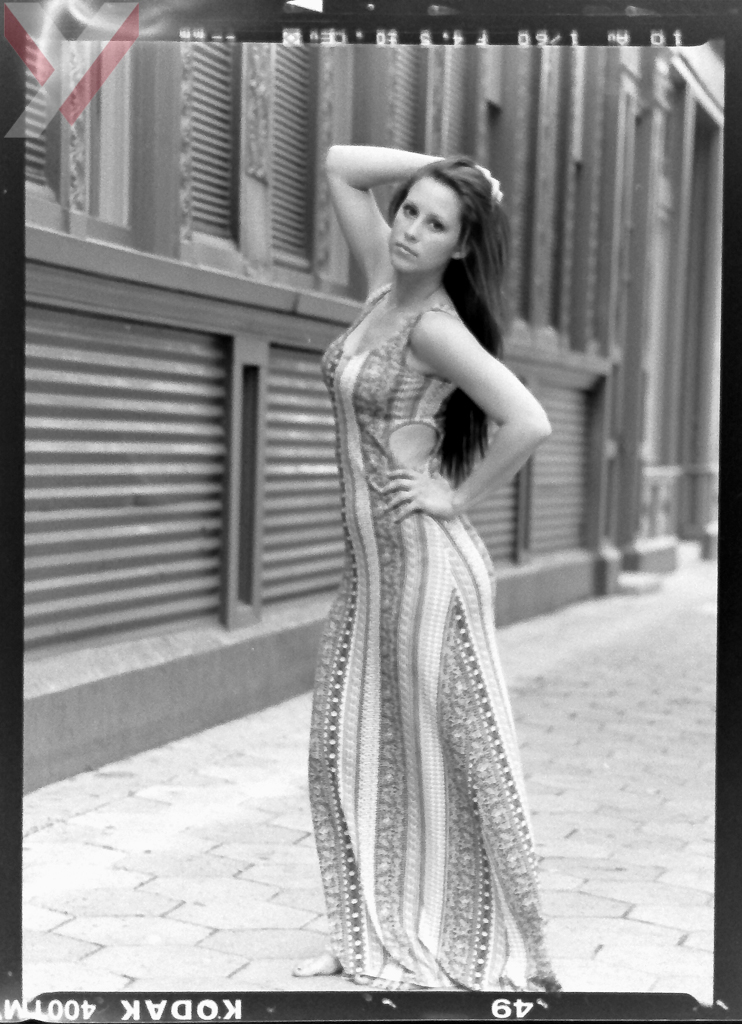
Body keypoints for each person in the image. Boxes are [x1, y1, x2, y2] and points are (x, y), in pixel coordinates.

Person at [293, 145, 560, 992]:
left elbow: (529, 419)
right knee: (343, 750)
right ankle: (367, 930)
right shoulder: (384, 280)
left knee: (455, 760)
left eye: (435, 223)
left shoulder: (435, 328)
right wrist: (452, 168)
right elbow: (339, 165)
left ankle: (500, 944)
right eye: (409, 209)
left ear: (461, 246)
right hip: (372, 572)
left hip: (425, 570)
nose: (409, 229)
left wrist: (455, 495)